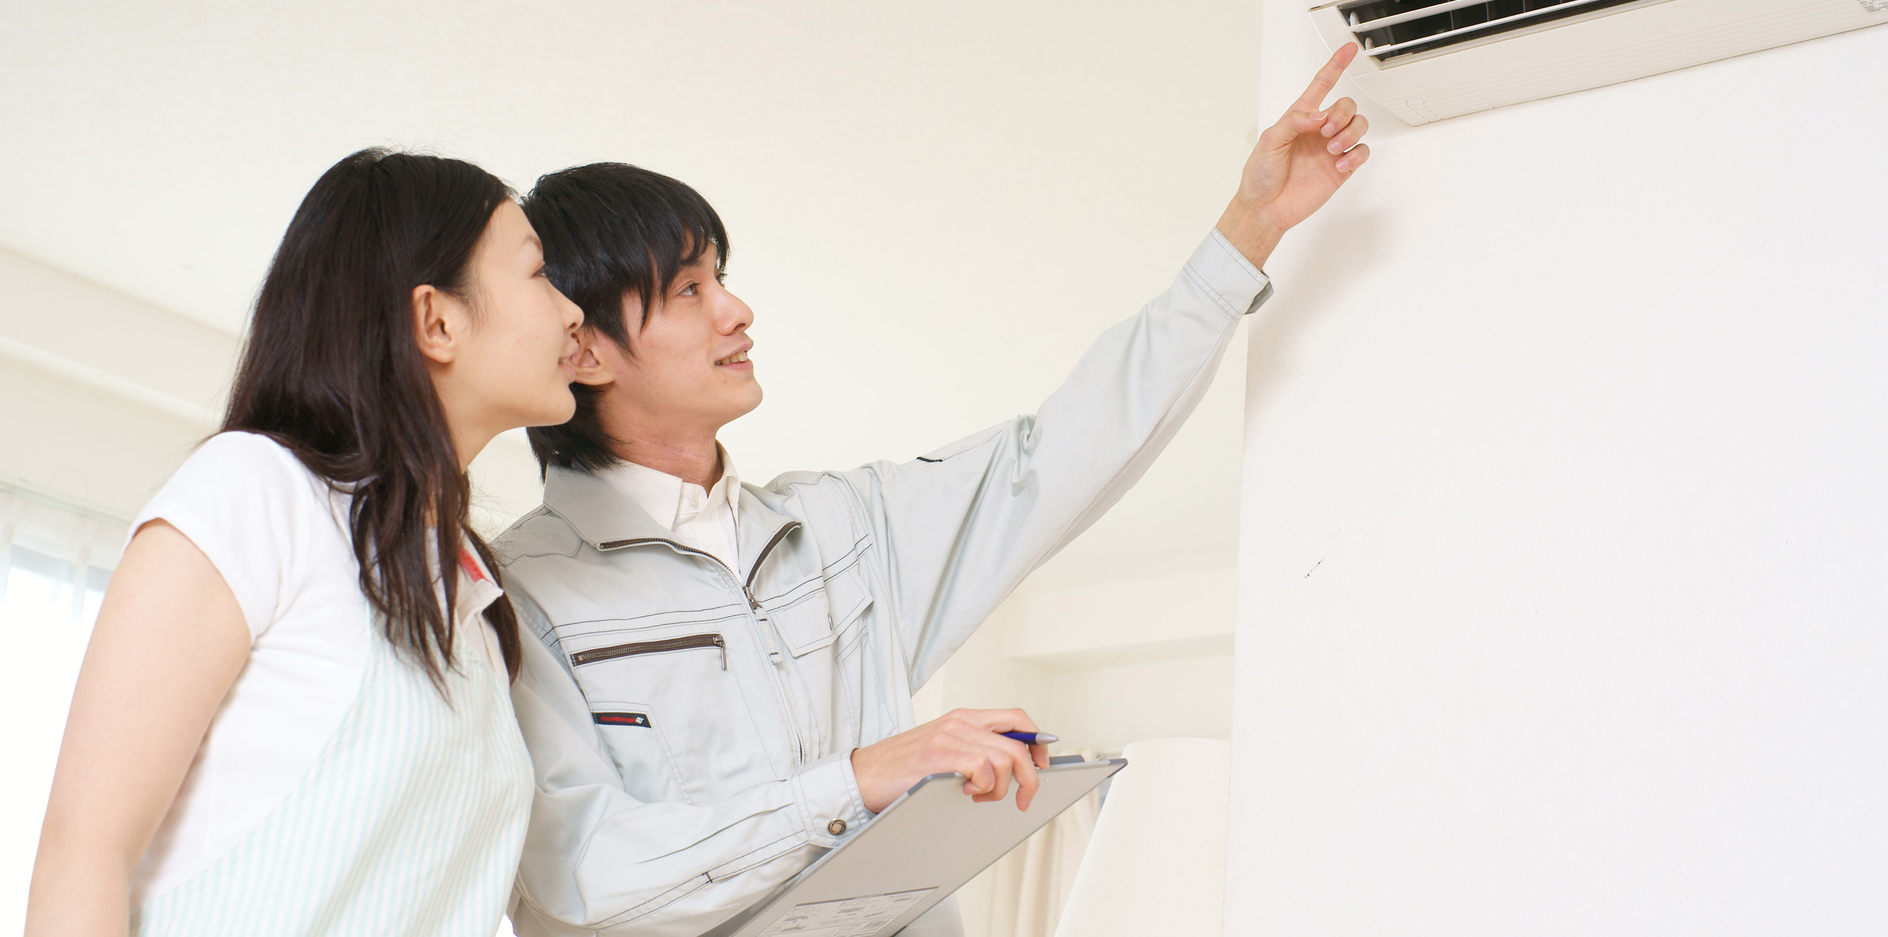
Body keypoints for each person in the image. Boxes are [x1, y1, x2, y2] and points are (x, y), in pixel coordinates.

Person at [496, 47, 1372, 936]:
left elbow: (1068, 446)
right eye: (689, 288)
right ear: (583, 347)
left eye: (721, 275)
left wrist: (1247, 230)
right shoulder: (518, 592)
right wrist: (858, 780)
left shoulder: (843, 526)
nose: (736, 309)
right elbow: (580, 871)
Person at [26, 150, 585, 937]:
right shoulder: (257, 489)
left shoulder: (474, 599)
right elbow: (81, 857)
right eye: (538, 273)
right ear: (437, 321)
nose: (572, 312)